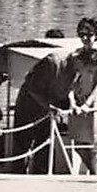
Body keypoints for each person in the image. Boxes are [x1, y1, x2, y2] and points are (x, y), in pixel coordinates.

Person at [14, 41, 72, 174]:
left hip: (47, 111)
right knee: (22, 144)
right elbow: (32, 88)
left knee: (44, 146)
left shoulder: (75, 71)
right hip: (29, 106)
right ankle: (18, 177)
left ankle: (42, 174)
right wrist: (49, 106)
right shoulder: (52, 62)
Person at [61, 17, 97, 174]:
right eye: (82, 35)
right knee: (79, 143)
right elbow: (71, 82)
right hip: (78, 103)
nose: (86, 38)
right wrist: (73, 102)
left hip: (94, 104)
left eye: (89, 34)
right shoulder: (75, 56)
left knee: (93, 145)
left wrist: (88, 104)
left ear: (96, 35)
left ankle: (96, 174)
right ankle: (96, 172)